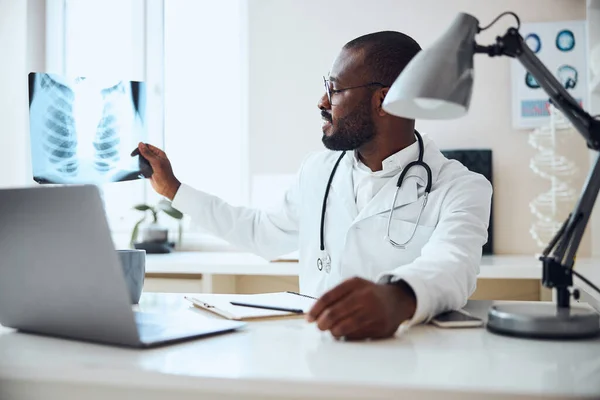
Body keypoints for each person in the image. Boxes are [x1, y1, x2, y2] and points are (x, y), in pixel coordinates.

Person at [137, 31, 492, 340]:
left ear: (381, 101)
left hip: (406, 362)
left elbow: (453, 265)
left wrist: (396, 298)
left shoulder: (460, 187)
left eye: (334, 89)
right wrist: (173, 190)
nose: (322, 102)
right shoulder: (318, 170)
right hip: (319, 358)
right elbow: (262, 232)